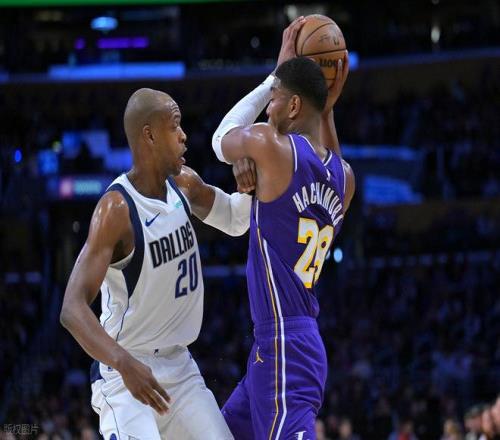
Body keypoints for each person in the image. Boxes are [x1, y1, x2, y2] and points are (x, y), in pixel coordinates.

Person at [60, 87, 254, 440]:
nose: (184, 135)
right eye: (175, 125)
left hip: (179, 367)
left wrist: (248, 185)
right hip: (125, 372)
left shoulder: (185, 184)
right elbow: (72, 308)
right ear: (149, 135)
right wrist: (122, 362)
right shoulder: (116, 209)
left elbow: (237, 221)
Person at [211, 17, 354, 439]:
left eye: (274, 100)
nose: (268, 108)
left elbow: (221, 139)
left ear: (292, 106)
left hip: (283, 344)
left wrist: (273, 76)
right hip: (284, 343)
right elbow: (329, 158)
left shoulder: (270, 146)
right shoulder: (346, 179)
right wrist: (326, 106)